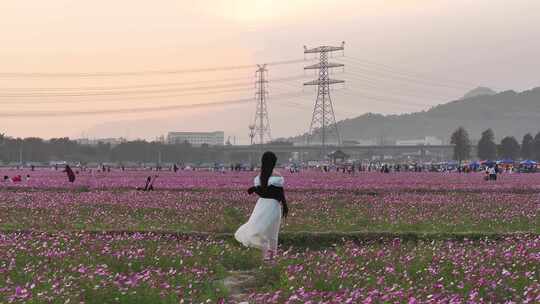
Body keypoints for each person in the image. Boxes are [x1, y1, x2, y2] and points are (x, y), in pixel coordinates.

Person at [235, 151, 288, 262]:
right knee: (272, 233)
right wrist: (284, 205)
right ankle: (271, 257)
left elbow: (263, 192)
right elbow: (279, 194)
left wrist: (255, 189)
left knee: (258, 230)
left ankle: (265, 256)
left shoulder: (260, 176)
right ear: (273, 162)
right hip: (273, 206)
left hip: (262, 205)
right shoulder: (277, 176)